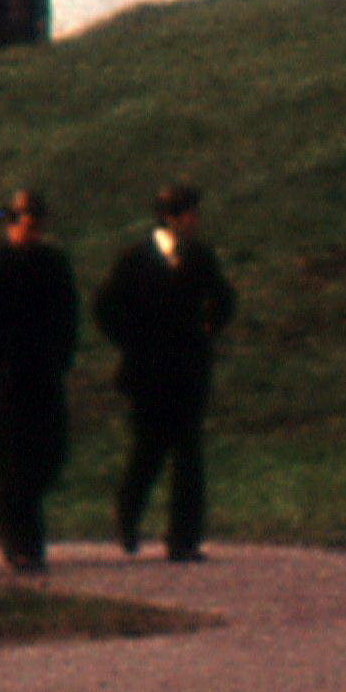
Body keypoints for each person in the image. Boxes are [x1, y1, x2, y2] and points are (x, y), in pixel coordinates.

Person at [92, 182, 236, 561]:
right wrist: (132, 341)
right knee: (149, 451)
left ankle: (183, 539)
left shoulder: (200, 257)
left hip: (188, 370)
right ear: (170, 217)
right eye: (189, 213)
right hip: (148, 373)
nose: (195, 221)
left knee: (189, 455)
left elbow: (224, 299)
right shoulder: (135, 259)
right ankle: (128, 513)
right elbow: (105, 307)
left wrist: (209, 327)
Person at [0, 188, 82, 575]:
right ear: (12, 223)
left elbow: (68, 313)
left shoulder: (53, 264)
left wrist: (63, 355)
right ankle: (22, 544)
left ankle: (16, 526)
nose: (35, 232)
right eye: (28, 223)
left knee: (47, 454)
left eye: (39, 224)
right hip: (6, 376)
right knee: (13, 460)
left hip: (44, 372)